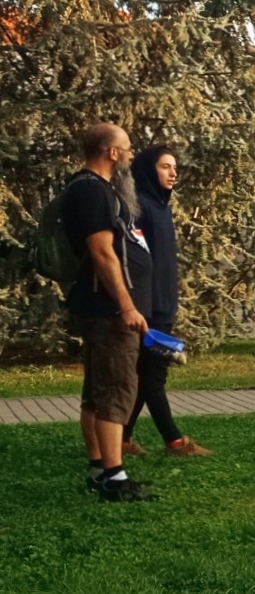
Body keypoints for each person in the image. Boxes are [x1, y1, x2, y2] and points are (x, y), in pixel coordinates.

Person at [61, 122, 156, 501]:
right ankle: (113, 479)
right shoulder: (93, 192)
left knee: (99, 390)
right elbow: (102, 253)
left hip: (98, 307)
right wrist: (127, 306)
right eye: (127, 148)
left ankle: (100, 468)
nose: (131, 154)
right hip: (108, 310)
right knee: (117, 389)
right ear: (111, 153)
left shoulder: (86, 189)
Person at [122, 147, 212, 457]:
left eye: (175, 167)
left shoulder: (162, 206)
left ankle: (122, 438)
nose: (173, 173)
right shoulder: (140, 207)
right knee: (153, 377)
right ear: (149, 170)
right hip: (149, 308)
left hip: (163, 304)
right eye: (165, 167)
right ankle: (174, 442)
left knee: (144, 375)